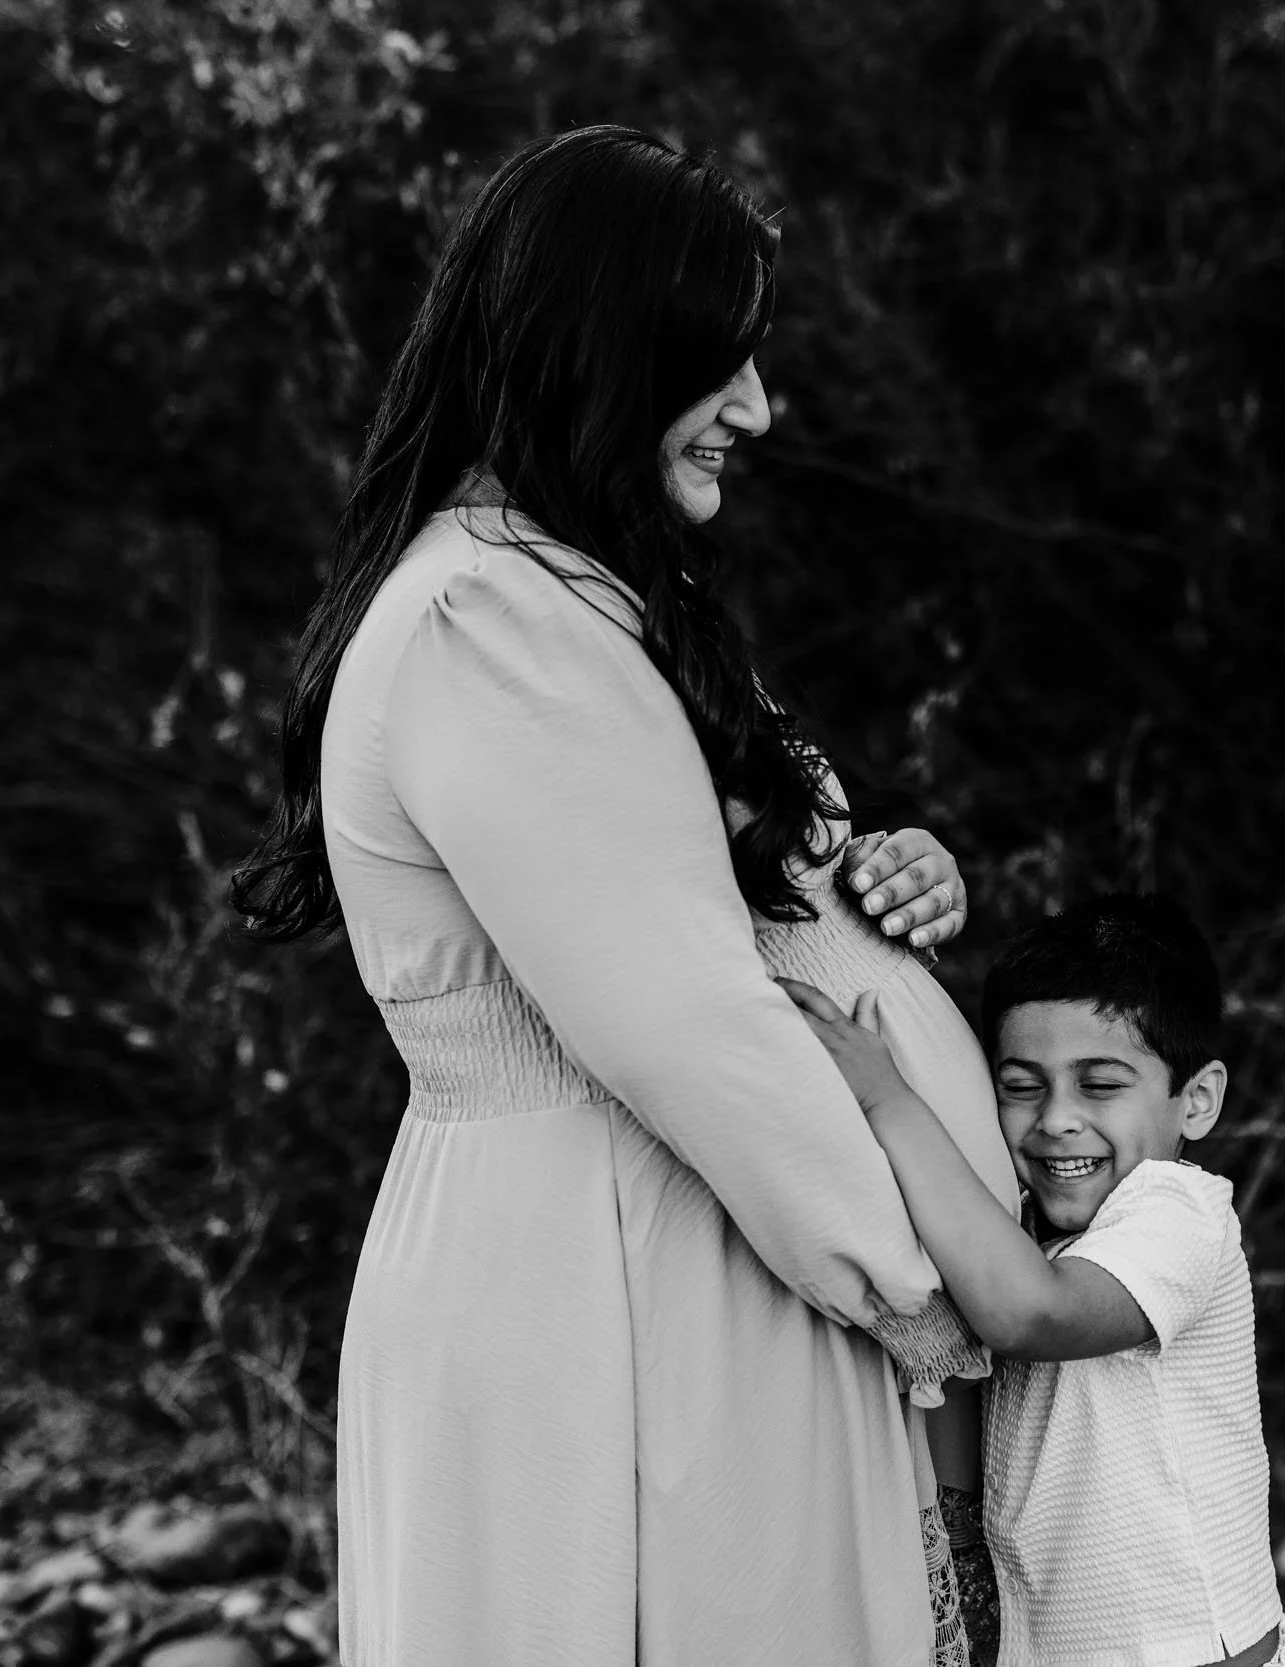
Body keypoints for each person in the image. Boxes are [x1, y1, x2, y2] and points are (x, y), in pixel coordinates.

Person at [230, 125, 1017, 1665]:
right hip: (618, 1279)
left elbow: (740, 908)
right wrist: (932, 1279)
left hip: (695, 1248)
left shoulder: (579, 597)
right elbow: (685, 1021)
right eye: (719, 361)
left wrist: (884, 883)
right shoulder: (483, 624)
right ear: (604, 344)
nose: (760, 409)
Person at [783, 894, 1285, 1667]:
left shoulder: (1182, 1213)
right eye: (1021, 1085)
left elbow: (1030, 1312)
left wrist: (886, 1096)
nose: (1056, 1117)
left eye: (1099, 1084)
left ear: (1196, 1100)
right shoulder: (1023, 1230)